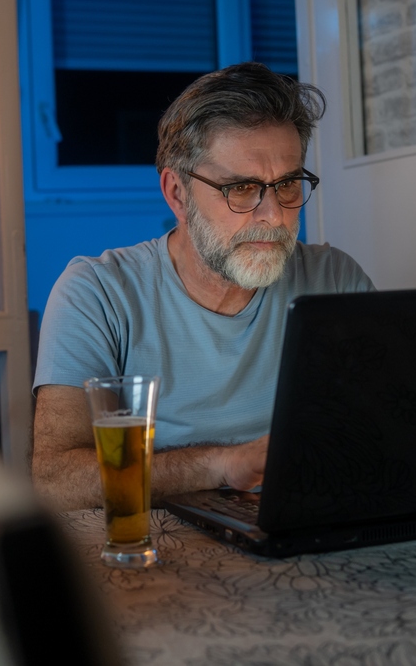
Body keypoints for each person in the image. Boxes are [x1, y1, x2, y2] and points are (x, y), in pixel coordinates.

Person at [31, 62, 373, 511]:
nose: (273, 214)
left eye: (288, 184)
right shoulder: (96, 293)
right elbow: (55, 480)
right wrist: (221, 464)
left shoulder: (334, 279)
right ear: (177, 193)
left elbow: (385, 433)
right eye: (242, 188)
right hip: (152, 540)